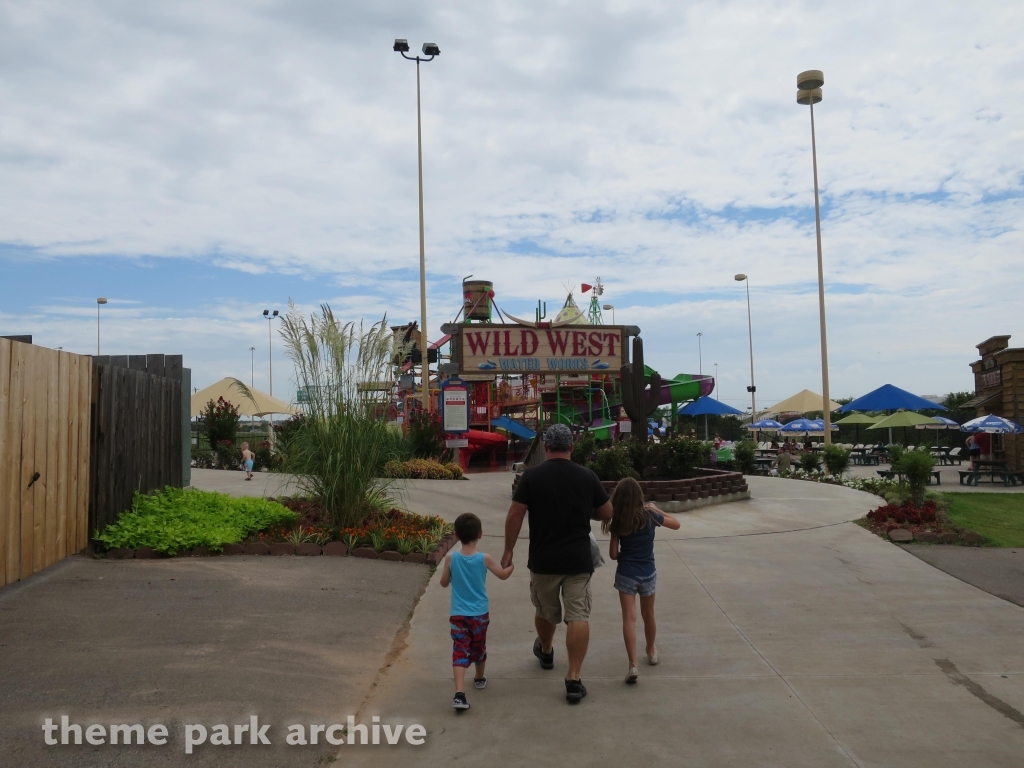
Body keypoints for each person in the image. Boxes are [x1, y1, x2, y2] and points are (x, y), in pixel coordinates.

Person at [502, 424, 613, 704]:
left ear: (547, 447)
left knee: (545, 609)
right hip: (578, 560)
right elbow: (607, 512)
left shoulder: (532, 477)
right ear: (571, 447)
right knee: (578, 615)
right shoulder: (586, 476)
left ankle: (547, 650)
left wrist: (508, 551)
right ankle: (574, 679)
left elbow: (515, 514)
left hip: (543, 559)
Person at [603, 478, 679, 683]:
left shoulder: (618, 520)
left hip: (627, 572)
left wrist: (625, 555)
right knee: (649, 614)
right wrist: (658, 509)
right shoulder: (651, 516)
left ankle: (633, 664)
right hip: (648, 572)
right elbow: (677, 525)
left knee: (629, 618)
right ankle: (651, 650)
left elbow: (612, 554)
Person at [440, 513, 514, 711]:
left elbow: (444, 582)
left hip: (458, 615)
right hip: (479, 615)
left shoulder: (451, 558)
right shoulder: (485, 558)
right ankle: (479, 678)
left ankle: (459, 693)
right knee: (479, 647)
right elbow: (503, 575)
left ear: (456, 534)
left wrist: (450, 573)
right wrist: (511, 566)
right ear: (480, 534)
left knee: (460, 649)